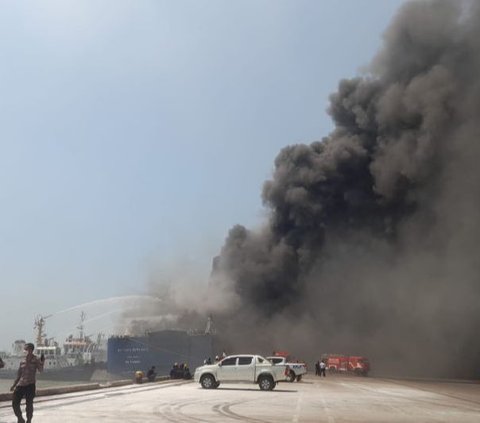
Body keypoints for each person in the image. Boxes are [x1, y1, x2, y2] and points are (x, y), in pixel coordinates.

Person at [11, 343, 45, 423]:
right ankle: (20, 419)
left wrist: (42, 362)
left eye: (26, 349)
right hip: (20, 385)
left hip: (30, 385)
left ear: (31, 350)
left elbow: (40, 371)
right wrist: (14, 385)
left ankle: (29, 420)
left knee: (29, 404)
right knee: (14, 403)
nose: (24, 351)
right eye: (24, 349)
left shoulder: (36, 360)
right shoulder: (22, 361)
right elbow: (19, 375)